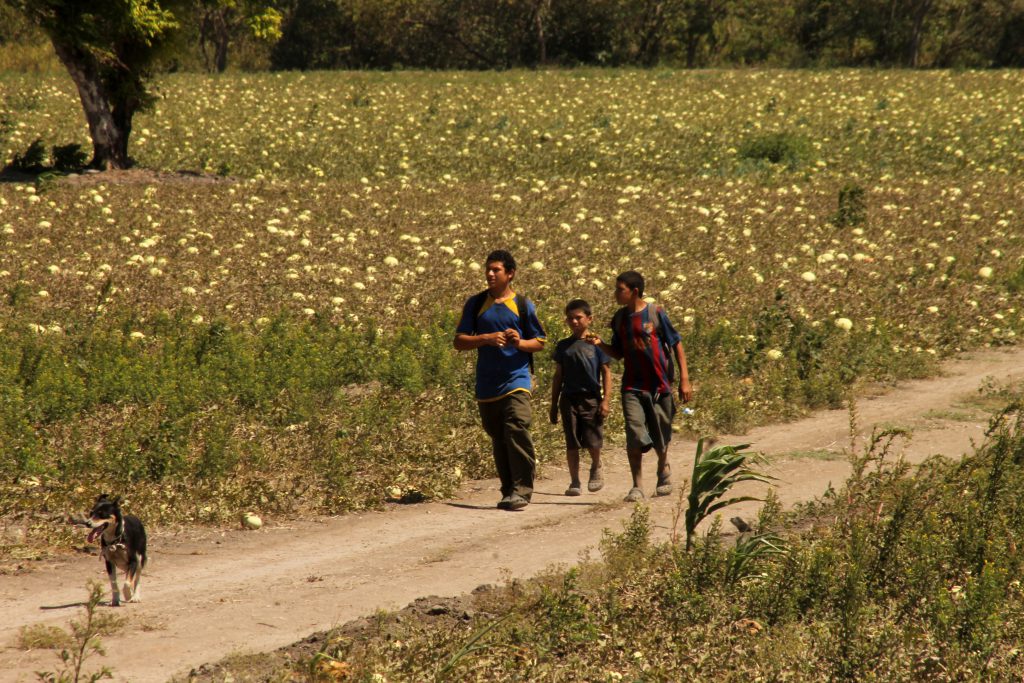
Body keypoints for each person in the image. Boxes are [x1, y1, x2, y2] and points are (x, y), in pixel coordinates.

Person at [587, 271, 693, 502]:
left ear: (634, 291)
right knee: (634, 433)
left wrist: (685, 379)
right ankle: (637, 486)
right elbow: (618, 353)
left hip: (659, 385)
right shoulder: (619, 319)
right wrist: (600, 344)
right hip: (632, 386)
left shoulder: (655, 313)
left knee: (661, 434)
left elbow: (676, 344)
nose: (615, 293)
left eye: (620, 289)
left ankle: (663, 468)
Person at [454, 250, 546, 511]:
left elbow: (539, 342)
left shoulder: (523, 305)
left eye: (496, 270)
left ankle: (522, 490)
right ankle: (508, 490)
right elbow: (459, 341)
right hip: (487, 383)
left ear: (510, 273)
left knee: (517, 428)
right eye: (488, 269)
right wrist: (486, 338)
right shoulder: (476, 304)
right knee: (499, 436)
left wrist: (519, 342)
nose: (490, 274)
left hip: (517, 380)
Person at [549, 299, 612, 496]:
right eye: (570, 318)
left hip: (591, 399)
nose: (574, 322)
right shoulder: (564, 346)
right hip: (569, 399)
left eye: (578, 317)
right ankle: (574, 481)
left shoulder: (596, 344)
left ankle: (596, 466)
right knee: (572, 441)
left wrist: (605, 400)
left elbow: (606, 373)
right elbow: (558, 376)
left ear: (589, 319)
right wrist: (553, 404)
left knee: (593, 440)